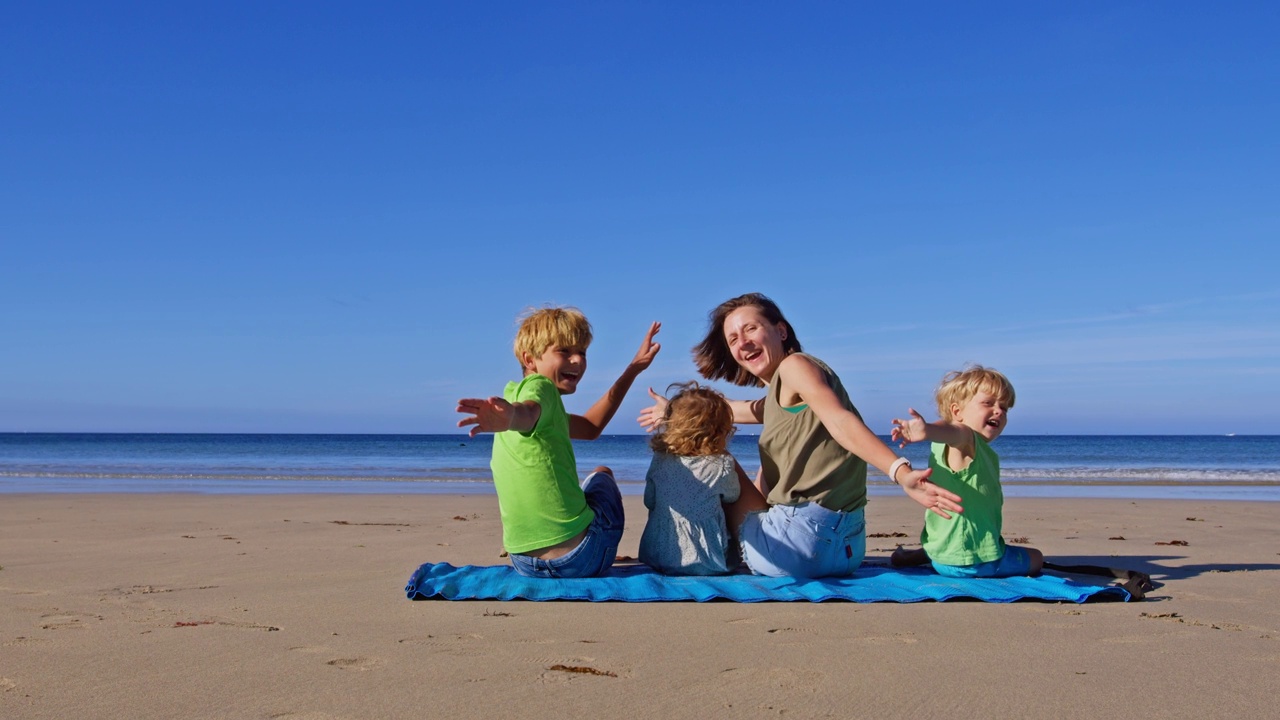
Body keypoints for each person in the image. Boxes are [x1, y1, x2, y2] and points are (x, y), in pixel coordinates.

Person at [640, 292, 962, 578]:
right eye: (733, 339)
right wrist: (672, 411)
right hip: (846, 551)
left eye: (751, 328)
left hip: (797, 548)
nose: (743, 342)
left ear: (781, 330)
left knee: (713, 455)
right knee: (759, 459)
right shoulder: (780, 396)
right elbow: (731, 410)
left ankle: (694, 552)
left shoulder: (795, 366)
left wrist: (899, 472)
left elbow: (839, 419)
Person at [457, 306, 660, 579]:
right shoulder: (541, 389)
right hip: (582, 558)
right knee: (602, 474)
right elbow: (527, 411)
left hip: (524, 564)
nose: (577, 360)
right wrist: (513, 417)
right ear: (530, 360)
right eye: (564, 351)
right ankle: (599, 545)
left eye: (583, 352)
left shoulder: (526, 405)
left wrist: (633, 369)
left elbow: (590, 427)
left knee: (584, 488)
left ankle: (584, 540)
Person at [888, 365, 1044, 578]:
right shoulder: (966, 441)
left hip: (943, 551)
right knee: (1036, 558)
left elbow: (949, 427)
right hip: (972, 561)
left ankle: (923, 555)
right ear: (957, 412)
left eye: (1004, 407)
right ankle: (938, 557)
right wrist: (928, 431)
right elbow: (956, 431)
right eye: (988, 403)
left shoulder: (945, 444)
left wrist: (931, 429)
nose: (998, 411)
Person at [638, 382, 760, 576]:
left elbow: (649, 501)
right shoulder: (721, 464)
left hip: (659, 556)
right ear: (720, 432)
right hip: (711, 561)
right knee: (720, 499)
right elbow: (732, 496)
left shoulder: (661, 460)